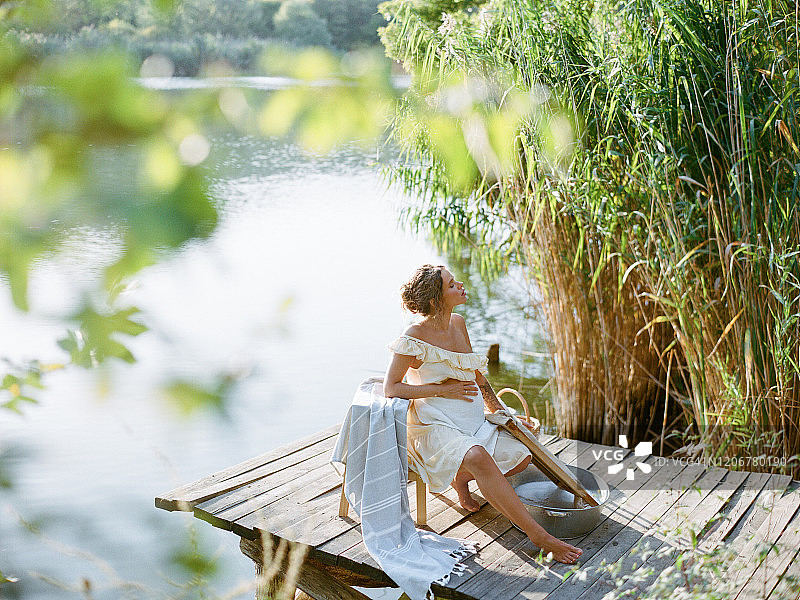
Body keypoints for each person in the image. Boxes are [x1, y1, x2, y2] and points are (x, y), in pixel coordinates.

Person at [383, 264, 583, 565]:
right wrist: (442, 390)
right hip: (434, 426)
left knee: (523, 454)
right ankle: (538, 535)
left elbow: (477, 376)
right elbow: (391, 387)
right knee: (477, 457)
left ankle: (460, 481)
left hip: (472, 423)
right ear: (437, 299)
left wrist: (502, 413)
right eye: (452, 284)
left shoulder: (458, 323)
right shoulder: (413, 337)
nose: (460, 285)